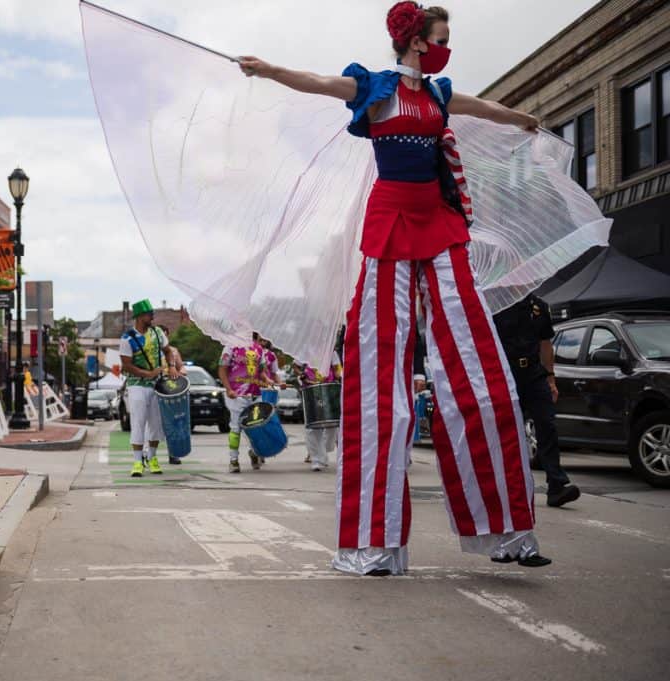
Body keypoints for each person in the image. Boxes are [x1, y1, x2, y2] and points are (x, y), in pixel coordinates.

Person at [239, 2, 550, 574]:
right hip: (389, 226)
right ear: (414, 42)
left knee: (479, 372)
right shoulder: (374, 87)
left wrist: (521, 119)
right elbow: (316, 83)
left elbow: (479, 107)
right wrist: (268, 69)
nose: (445, 46)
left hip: (439, 223)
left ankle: (508, 533)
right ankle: (372, 545)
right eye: (440, 38)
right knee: (381, 386)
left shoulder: (436, 94)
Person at [493, 293, 580, 508]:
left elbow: (545, 343)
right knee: (509, 431)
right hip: (506, 373)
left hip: (534, 373)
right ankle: (507, 486)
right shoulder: (496, 304)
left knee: (547, 424)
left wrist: (551, 378)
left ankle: (557, 485)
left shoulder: (538, 306)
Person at [119, 299, 180, 477]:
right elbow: (126, 365)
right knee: (138, 422)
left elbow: (168, 351)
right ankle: (138, 461)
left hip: (157, 385)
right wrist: (147, 374)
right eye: (149, 314)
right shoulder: (127, 338)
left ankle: (152, 458)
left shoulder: (157, 332)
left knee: (156, 424)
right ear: (139, 316)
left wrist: (171, 366)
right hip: (137, 385)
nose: (152, 316)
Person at [218, 335, 266, 473]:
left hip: (255, 394)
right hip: (237, 394)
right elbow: (222, 369)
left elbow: (262, 372)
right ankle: (234, 460)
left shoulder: (258, 349)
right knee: (236, 428)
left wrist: (271, 382)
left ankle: (253, 452)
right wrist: (228, 389)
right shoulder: (230, 346)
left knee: (257, 426)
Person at [293, 357, 342, 472]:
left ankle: (323, 453)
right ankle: (316, 460)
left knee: (332, 427)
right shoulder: (307, 348)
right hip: (310, 390)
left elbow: (337, 368)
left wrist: (338, 377)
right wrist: (302, 375)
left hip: (328, 390)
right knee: (312, 428)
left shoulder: (331, 351)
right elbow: (295, 366)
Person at [158, 324, 187, 464]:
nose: (162, 337)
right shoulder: (152, 350)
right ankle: (148, 454)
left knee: (172, 422)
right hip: (157, 389)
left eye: (165, 334)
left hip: (172, 390)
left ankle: (173, 453)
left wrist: (181, 371)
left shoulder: (173, 351)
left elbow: (181, 366)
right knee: (154, 423)